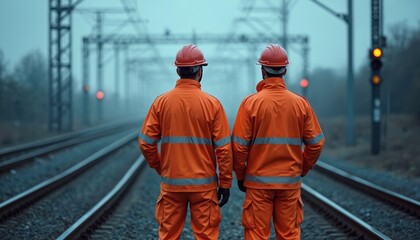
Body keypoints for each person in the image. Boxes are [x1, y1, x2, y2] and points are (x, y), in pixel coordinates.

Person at [138, 44, 233, 240]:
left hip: (172, 185)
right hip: (204, 188)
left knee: (168, 236)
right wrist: (225, 183)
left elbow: (146, 143)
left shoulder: (161, 102)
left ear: (177, 70)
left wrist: (161, 166)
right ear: (200, 70)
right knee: (206, 236)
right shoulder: (212, 104)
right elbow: (224, 149)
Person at [232, 44, 325, 240]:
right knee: (289, 235)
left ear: (262, 70)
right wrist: (301, 168)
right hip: (289, 184)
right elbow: (316, 143)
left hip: (258, 184)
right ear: (285, 70)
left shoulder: (250, 104)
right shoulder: (300, 104)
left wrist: (241, 175)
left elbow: (239, 147)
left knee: (256, 235)